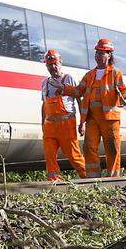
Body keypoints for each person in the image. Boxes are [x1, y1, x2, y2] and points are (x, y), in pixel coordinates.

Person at [50, 39, 126, 178]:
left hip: (110, 118)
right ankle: (93, 179)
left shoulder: (115, 73)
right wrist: (64, 88)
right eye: (97, 52)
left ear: (109, 55)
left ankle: (114, 179)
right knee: (88, 148)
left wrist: (125, 99)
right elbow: (78, 91)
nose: (98, 55)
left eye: (101, 53)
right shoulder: (89, 75)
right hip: (92, 118)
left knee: (112, 149)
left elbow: (124, 91)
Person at [41, 49, 86, 181]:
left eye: (55, 63)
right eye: (50, 65)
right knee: (49, 156)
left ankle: (88, 180)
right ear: (46, 66)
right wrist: (42, 124)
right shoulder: (44, 83)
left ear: (60, 63)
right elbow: (44, 104)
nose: (53, 67)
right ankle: (54, 183)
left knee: (74, 155)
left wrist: (82, 122)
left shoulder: (68, 79)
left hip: (66, 125)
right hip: (49, 126)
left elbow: (78, 99)